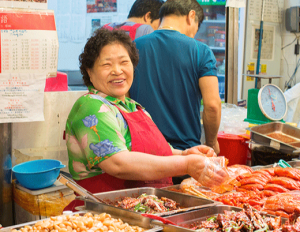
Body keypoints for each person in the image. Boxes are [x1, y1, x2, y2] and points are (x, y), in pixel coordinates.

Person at [65, 28, 226, 194]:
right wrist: (186, 164)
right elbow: (117, 163)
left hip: (142, 206)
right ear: (89, 72)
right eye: (107, 64)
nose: (117, 70)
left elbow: (159, 152)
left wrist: (185, 154)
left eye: (124, 62)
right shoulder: (91, 106)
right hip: (103, 212)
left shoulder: (134, 107)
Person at [130, 0, 222, 155]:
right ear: (191, 16)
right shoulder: (201, 51)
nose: (194, 34)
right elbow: (212, 105)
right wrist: (212, 142)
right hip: (186, 154)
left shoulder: (133, 47)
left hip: (143, 153)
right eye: (196, 28)